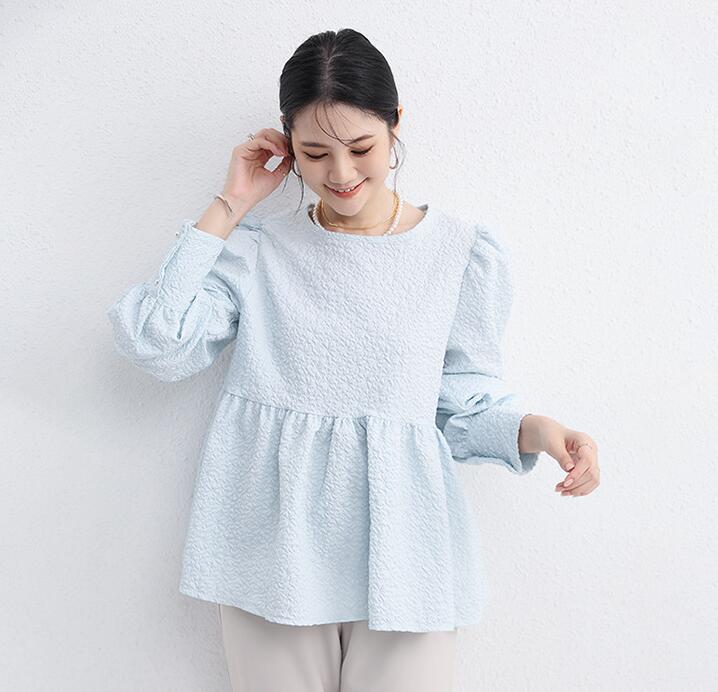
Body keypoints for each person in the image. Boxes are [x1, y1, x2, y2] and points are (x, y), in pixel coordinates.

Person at [106, 28, 600, 692]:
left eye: (361, 148)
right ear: (287, 146)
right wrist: (230, 205)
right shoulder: (259, 248)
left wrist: (540, 431)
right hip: (271, 545)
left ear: (396, 125)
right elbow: (155, 342)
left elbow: (459, 406)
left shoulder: (460, 252)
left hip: (407, 546)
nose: (340, 174)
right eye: (314, 153)